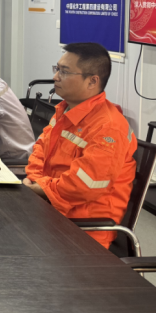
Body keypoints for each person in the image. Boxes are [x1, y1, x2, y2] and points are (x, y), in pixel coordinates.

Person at [24, 43, 136, 249]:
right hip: (50, 210)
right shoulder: (65, 110)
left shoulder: (108, 127)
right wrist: (35, 180)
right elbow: (40, 150)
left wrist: (41, 187)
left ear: (92, 81)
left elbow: (83, 186)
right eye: (57, 69)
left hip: (84, 231)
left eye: (64, 72)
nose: (55, 77)